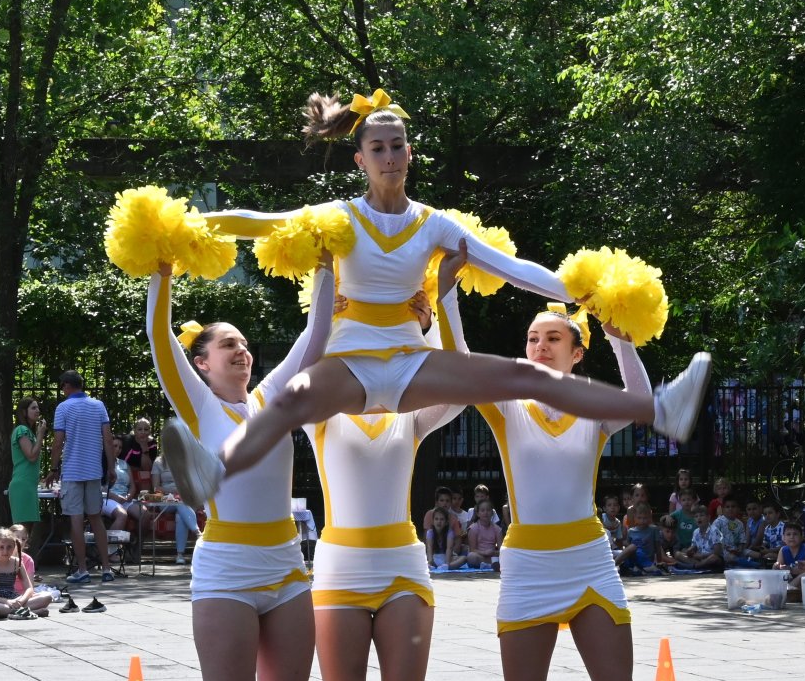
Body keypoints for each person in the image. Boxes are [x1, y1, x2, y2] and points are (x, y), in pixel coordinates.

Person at [158, 92, 711, 509]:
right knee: (288, 400)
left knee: (524, 375)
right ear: (360, 160)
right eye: (378, 148)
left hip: (409, 362)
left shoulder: (433, 224)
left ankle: (661, 408)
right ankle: (213, 470)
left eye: (397, 146)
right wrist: (188, 225)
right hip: (350, 362)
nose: (389, 156)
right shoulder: (339, 216)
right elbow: (263, 222)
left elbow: (514, 270)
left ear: (410, 153)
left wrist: (582, 293)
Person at [455, 297, 673, 681]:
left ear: (578, 353)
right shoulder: (508, 403)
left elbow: (641, 402)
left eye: (554, 338)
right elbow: (462, 360)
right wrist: (446, 293)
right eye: (533, 338)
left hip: (588, 563)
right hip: (527, 566)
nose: (540, 346)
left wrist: (622, 339)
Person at [146, 255, 331, 681]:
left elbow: (316, 335)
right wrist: (162, 273)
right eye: (228, 346)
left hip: (287, 568)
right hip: (226, 569)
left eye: (246, 345)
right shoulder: (198, 403)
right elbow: (159, 338)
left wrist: (326, 266)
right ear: (202, 364)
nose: (242, 352)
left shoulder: (274, 396)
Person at [50, 372, 114, 584]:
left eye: (62, 387)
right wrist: (111, 467)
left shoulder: (63, 408)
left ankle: (83, 570)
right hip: (94, 471)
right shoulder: (98, 406)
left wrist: (53, 467)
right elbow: (108, 439)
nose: (62, 390)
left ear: (67, 385)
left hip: (72, 471)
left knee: (76, 519)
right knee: (96, 518)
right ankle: (106, 568)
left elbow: (58, 442)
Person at [0, 529, 51, 621]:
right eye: (1, 547)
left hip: (14, 598)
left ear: (14, 547)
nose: (5, 551)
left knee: (47, 597)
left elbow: (29, 588)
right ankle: (29, 611)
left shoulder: (17, 562)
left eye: (9, 547)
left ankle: (16, 611)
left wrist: (21, 601)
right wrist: (6, 601)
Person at [7, 398, 47, 537]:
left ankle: (21, 552)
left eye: (38, 408)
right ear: (24, 412)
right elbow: (31, 456)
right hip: (22, 484)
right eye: (33, 408)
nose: (37, 411)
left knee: (27, 530)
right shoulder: (21, 430)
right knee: (21, 531)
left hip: (29, 485)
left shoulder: (28, 432)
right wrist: (41, 435)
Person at [122, 417, 160, 496]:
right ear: (135, 431)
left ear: (149, 431)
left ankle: (145, 499)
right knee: (143, 474)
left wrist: (144, 447)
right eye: (140, 429)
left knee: (145, 474)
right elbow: (124, 464)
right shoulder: (128, 441)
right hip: (127, 472)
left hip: (143, 474)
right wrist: (139, 469)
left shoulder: (152, 443)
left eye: (146, 429)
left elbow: (148, 468)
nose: (143, 432)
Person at [465, 504, 503, 570]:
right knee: (471, 557)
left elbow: (501, 550)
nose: (486, 513)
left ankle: (491, 564)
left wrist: (493, 552)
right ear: (478, 514)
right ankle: (491, 564)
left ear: (492, 513)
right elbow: (472, 549)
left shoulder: (497, 529)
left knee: (507, 555)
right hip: (479, 555)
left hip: (492, 555)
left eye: (488, 510)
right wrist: (484, 553)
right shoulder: (473, 528)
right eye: (482, 510)